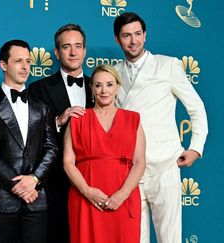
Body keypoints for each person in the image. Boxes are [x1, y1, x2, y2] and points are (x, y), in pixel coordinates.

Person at [113, 12, 208, 243]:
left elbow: (196, 108)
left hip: (164, 165)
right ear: (118, 40)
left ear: (145, 36)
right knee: (134, 238)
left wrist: (195, 147)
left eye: (137, 34)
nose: (133, 40)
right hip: (129, 171)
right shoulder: (112, 72)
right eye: (127, 35)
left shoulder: (168, 65)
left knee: (170, 239)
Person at [0, 39, 58, 243]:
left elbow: (51, 148)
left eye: (28, 61)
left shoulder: (43, 108)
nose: (25, 66)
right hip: (1, 201)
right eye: (18, 61)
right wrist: (19, 187)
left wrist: (34, 180)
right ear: (3, 65)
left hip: (36, 199)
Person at [63, 64, 146, 243]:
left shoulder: (133, 119)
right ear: (91, 88)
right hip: (85, 196)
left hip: (123, 196)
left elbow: (140, 162)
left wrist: (122, 195)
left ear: (117, 87)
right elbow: (68, 162)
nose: (104, 90)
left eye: (109, 84)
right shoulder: (77, 120)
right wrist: (87, 191)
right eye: (98, 85)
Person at [28, 23, 94, 243]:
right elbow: (28, 135)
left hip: (94, 178)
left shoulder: (101, 87)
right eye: (67, 47)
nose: (73, 52)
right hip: (55, 181)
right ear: (57, 52)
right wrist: (58, 120)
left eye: (78, 46)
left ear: (85, 50)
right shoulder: (38, 89)